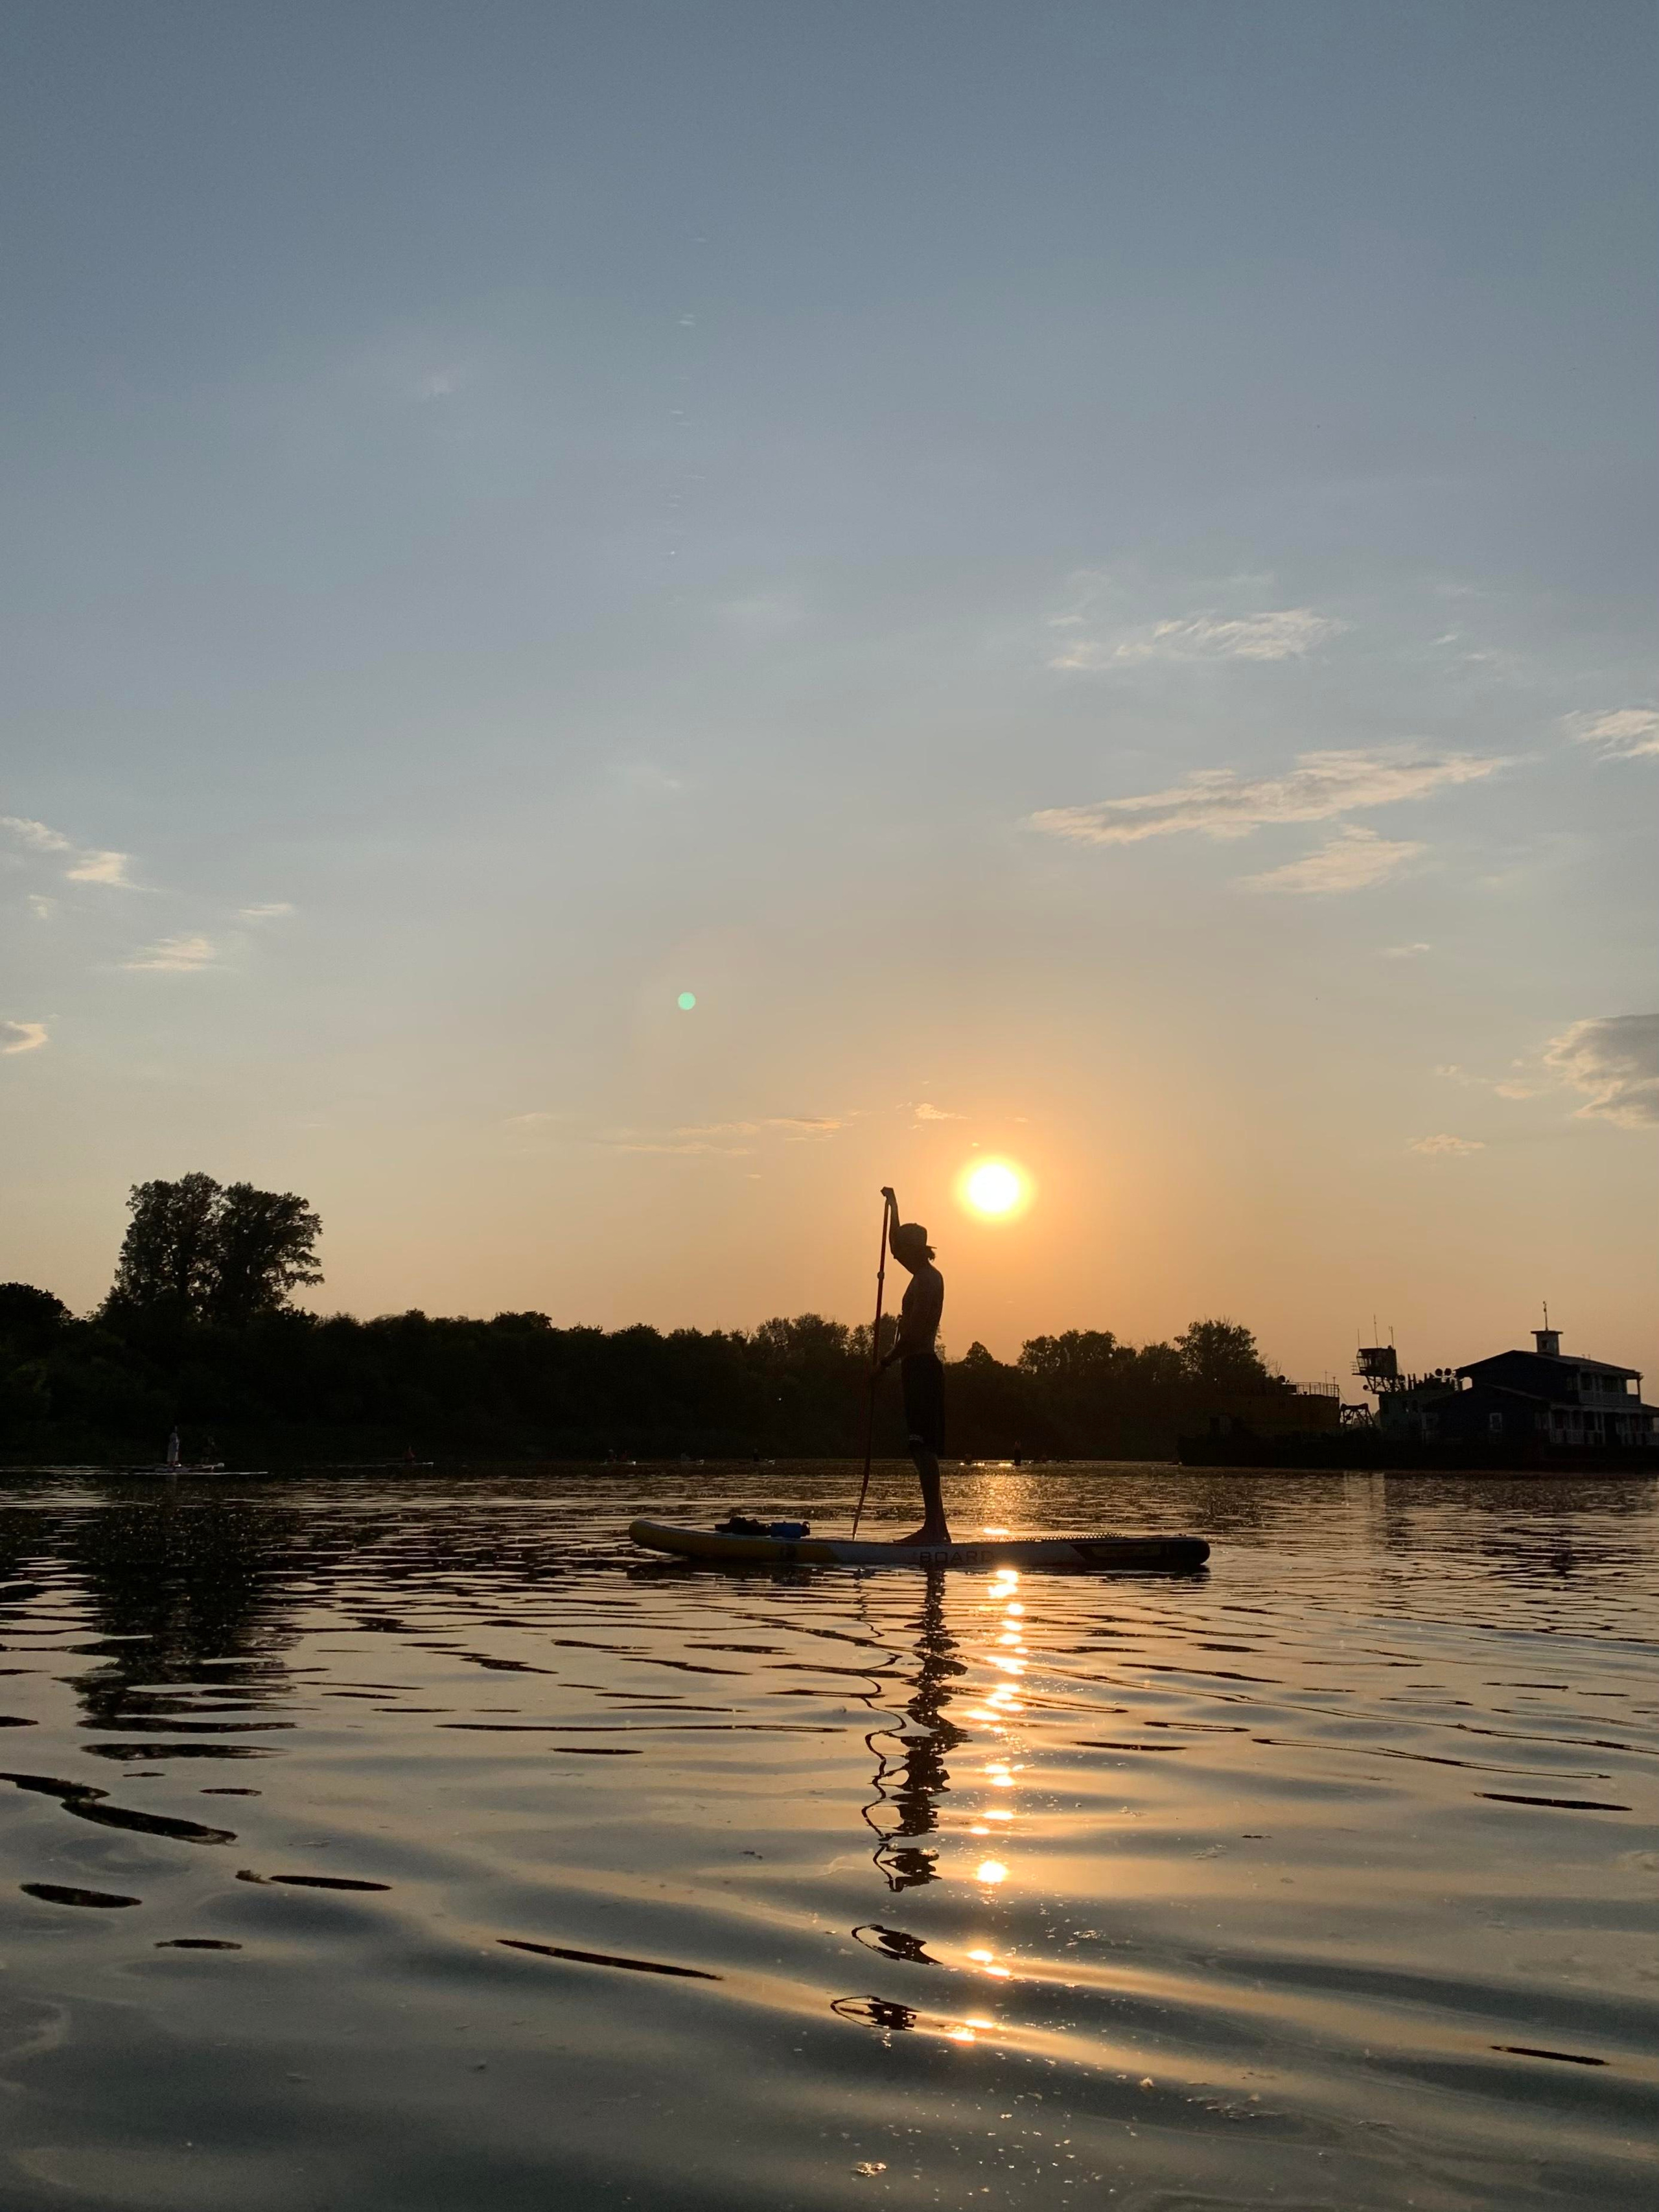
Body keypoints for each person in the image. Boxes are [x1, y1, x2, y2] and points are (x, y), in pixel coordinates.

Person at [878, 1187, 948, 1545]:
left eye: (902, 1251)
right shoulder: (918, 1275)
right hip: (914, 1368)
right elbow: (893, 1245)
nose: (897, 1256)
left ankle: (935, 1529)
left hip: (922, 1367)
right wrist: (894, 1205)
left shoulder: (928, 1281)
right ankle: (938, 1529)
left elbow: (918, 1334)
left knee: (923, 1448)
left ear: (915, 1251)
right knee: (919, 1448)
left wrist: (887, 1361)